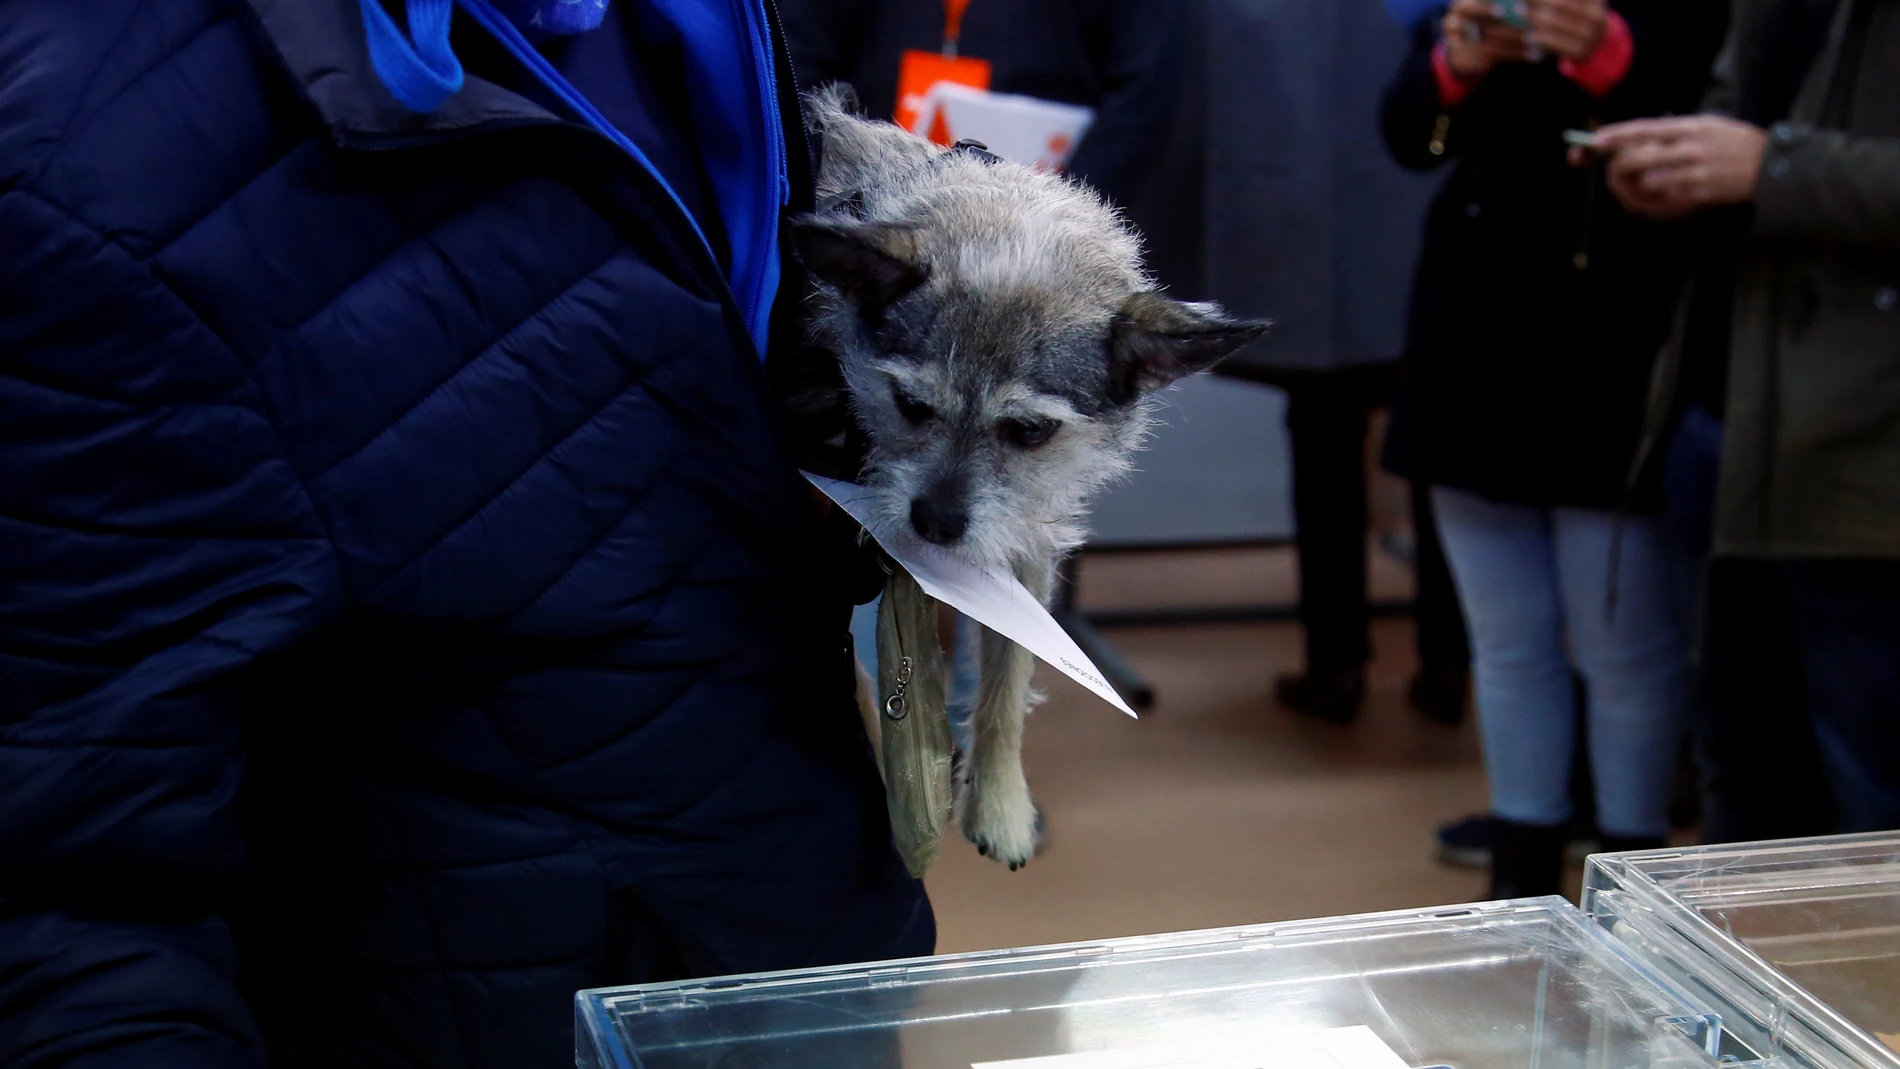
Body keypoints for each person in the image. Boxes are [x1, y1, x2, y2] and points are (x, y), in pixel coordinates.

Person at [0, 2, 932, 1067]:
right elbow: (70, 892)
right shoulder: (87, 148)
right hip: (483, 1007)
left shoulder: (686, 22)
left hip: (798, 947)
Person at [1379, 0, 1726, 896]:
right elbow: (1407, 134)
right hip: (1473, 334)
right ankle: (1520, 880)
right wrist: (1454, 66)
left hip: (1618, 336)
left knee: (1625, 648)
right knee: (1507, 638)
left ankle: (1636, 884)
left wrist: (1617, 62)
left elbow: (1735, 133)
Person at [1595, 0, 1900, 834]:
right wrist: (1681, 169)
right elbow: (1739, 128)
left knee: (1868, 802)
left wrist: (1774, 168)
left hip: (1869, 466)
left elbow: (1775, 162)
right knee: (1747, 785)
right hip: (1743, 437)